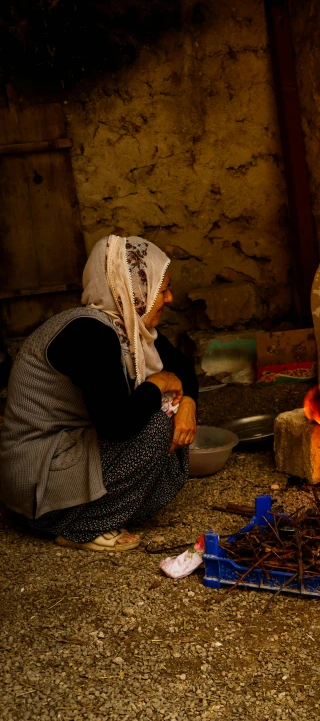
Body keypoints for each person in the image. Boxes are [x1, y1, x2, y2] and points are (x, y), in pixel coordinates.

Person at [0, 234, 198, 552]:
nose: (170, 298)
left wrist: (187, 401)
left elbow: (182, 369)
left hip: (70, 449)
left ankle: (92, 512)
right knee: (158, 419)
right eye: (162, 290)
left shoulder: (129, 330)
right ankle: (76, 526)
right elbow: (117, 425)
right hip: (38, 473)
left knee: (170, 408)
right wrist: (159, 384)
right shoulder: (89, 334)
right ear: (134, 293)